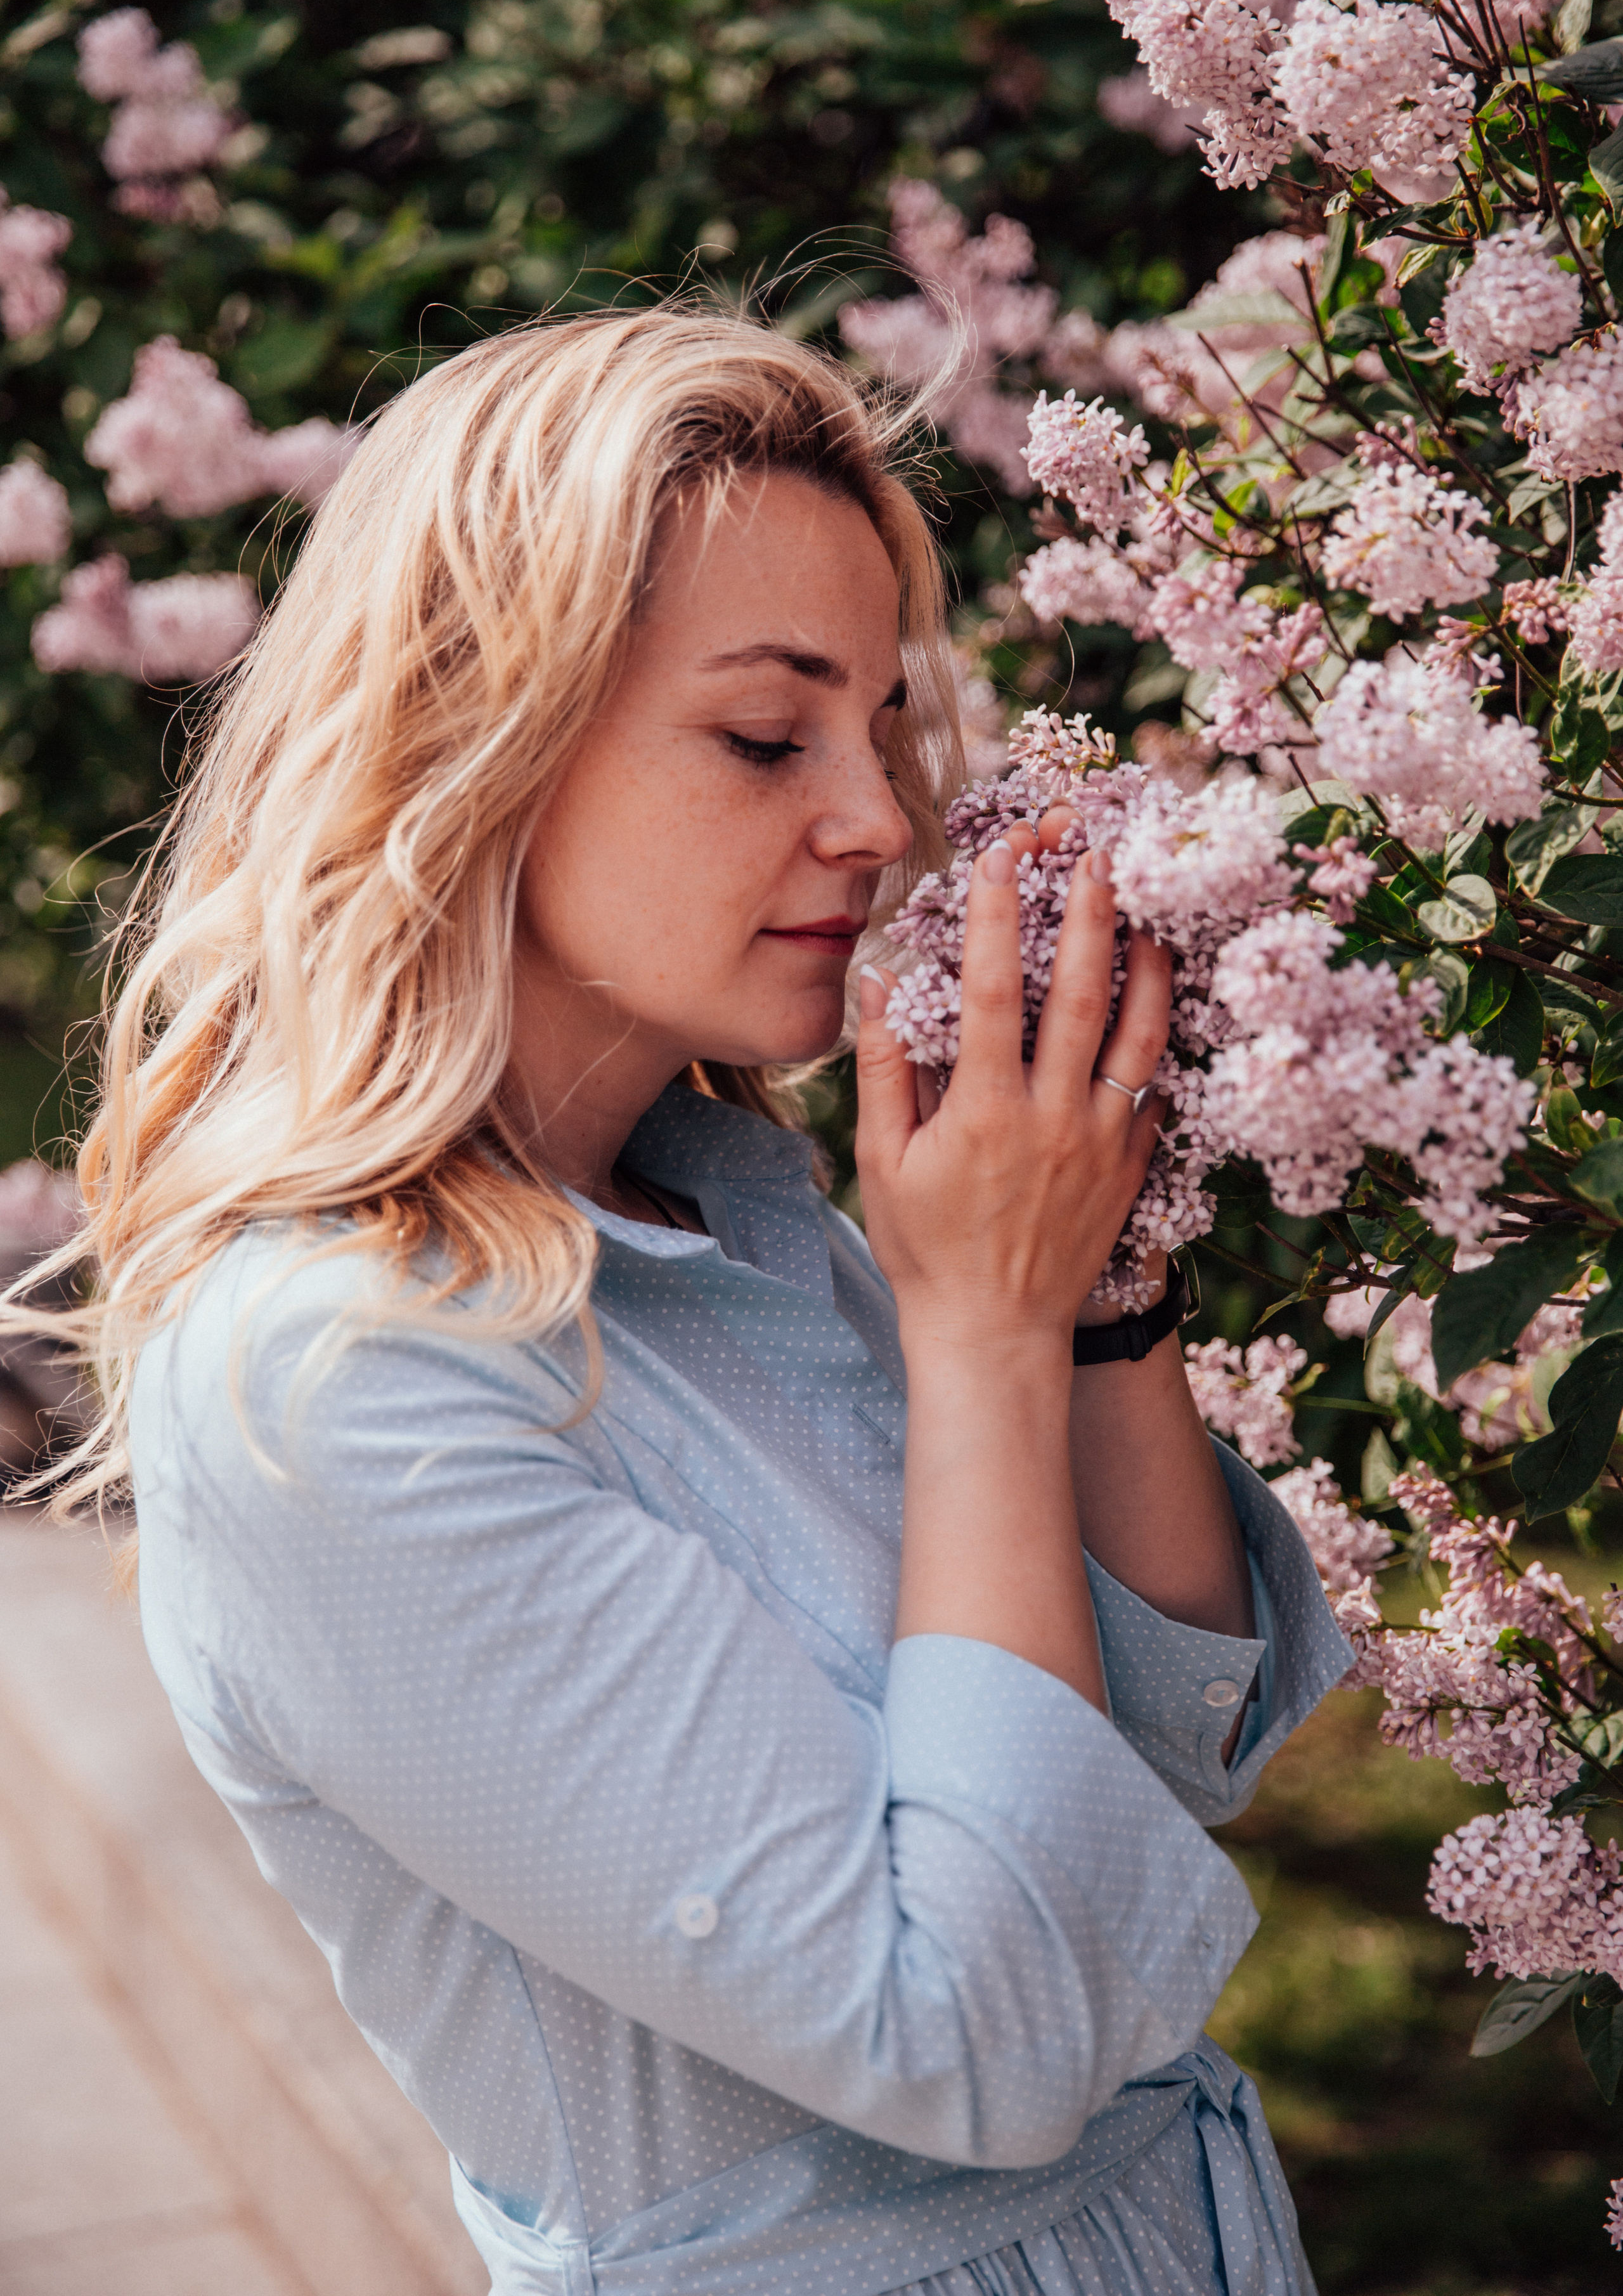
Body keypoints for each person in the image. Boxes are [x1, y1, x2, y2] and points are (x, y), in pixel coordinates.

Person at [42, 308, 1350, 2296]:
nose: (885, 821)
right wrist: (981, 1332)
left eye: (881, 725)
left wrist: (1088, 1290)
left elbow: (1158, 1773)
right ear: (480, 729)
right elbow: (987, 2034)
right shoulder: (336, 1383)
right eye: (767, 735)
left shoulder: (737, 1219)